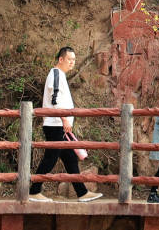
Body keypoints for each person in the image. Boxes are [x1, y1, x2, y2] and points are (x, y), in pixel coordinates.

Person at [29, 47, 103, 203]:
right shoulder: (55, 74)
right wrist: (64, 119)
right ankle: (33, 191)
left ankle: (82, 193)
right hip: (55, 124)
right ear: (60, 59)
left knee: (70, 159)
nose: (72, 63)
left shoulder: (60, 75)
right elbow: (54, 100)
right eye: (70, 59)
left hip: (60, 125)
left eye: (74, 60)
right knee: (50, 158)